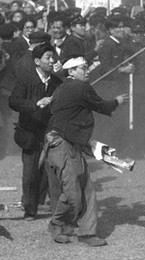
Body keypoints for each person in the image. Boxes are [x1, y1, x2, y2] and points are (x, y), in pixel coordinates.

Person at [44, 55, 126, 247]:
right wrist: (117, 101)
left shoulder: (63, 89)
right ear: (71, 72)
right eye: (83, 68)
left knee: (86, 189)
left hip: (72, 142)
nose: (87, 70)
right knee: (73, 193)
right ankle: (57, 223)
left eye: (87, 67)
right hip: (61, 143)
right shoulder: (79, 87)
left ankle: (87, 232)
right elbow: (101, 106)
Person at [8, 43, 61, 219]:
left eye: (53, 57)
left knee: (48, 169)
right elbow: (13, 102)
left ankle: (40, 200)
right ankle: (29, 209)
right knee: (30, 172)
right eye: (48, 57)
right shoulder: (26, 80)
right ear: (37, 61)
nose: (52, 61)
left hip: (49, 132)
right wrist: (35, 104)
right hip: (29, 132)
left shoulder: (56, 82)